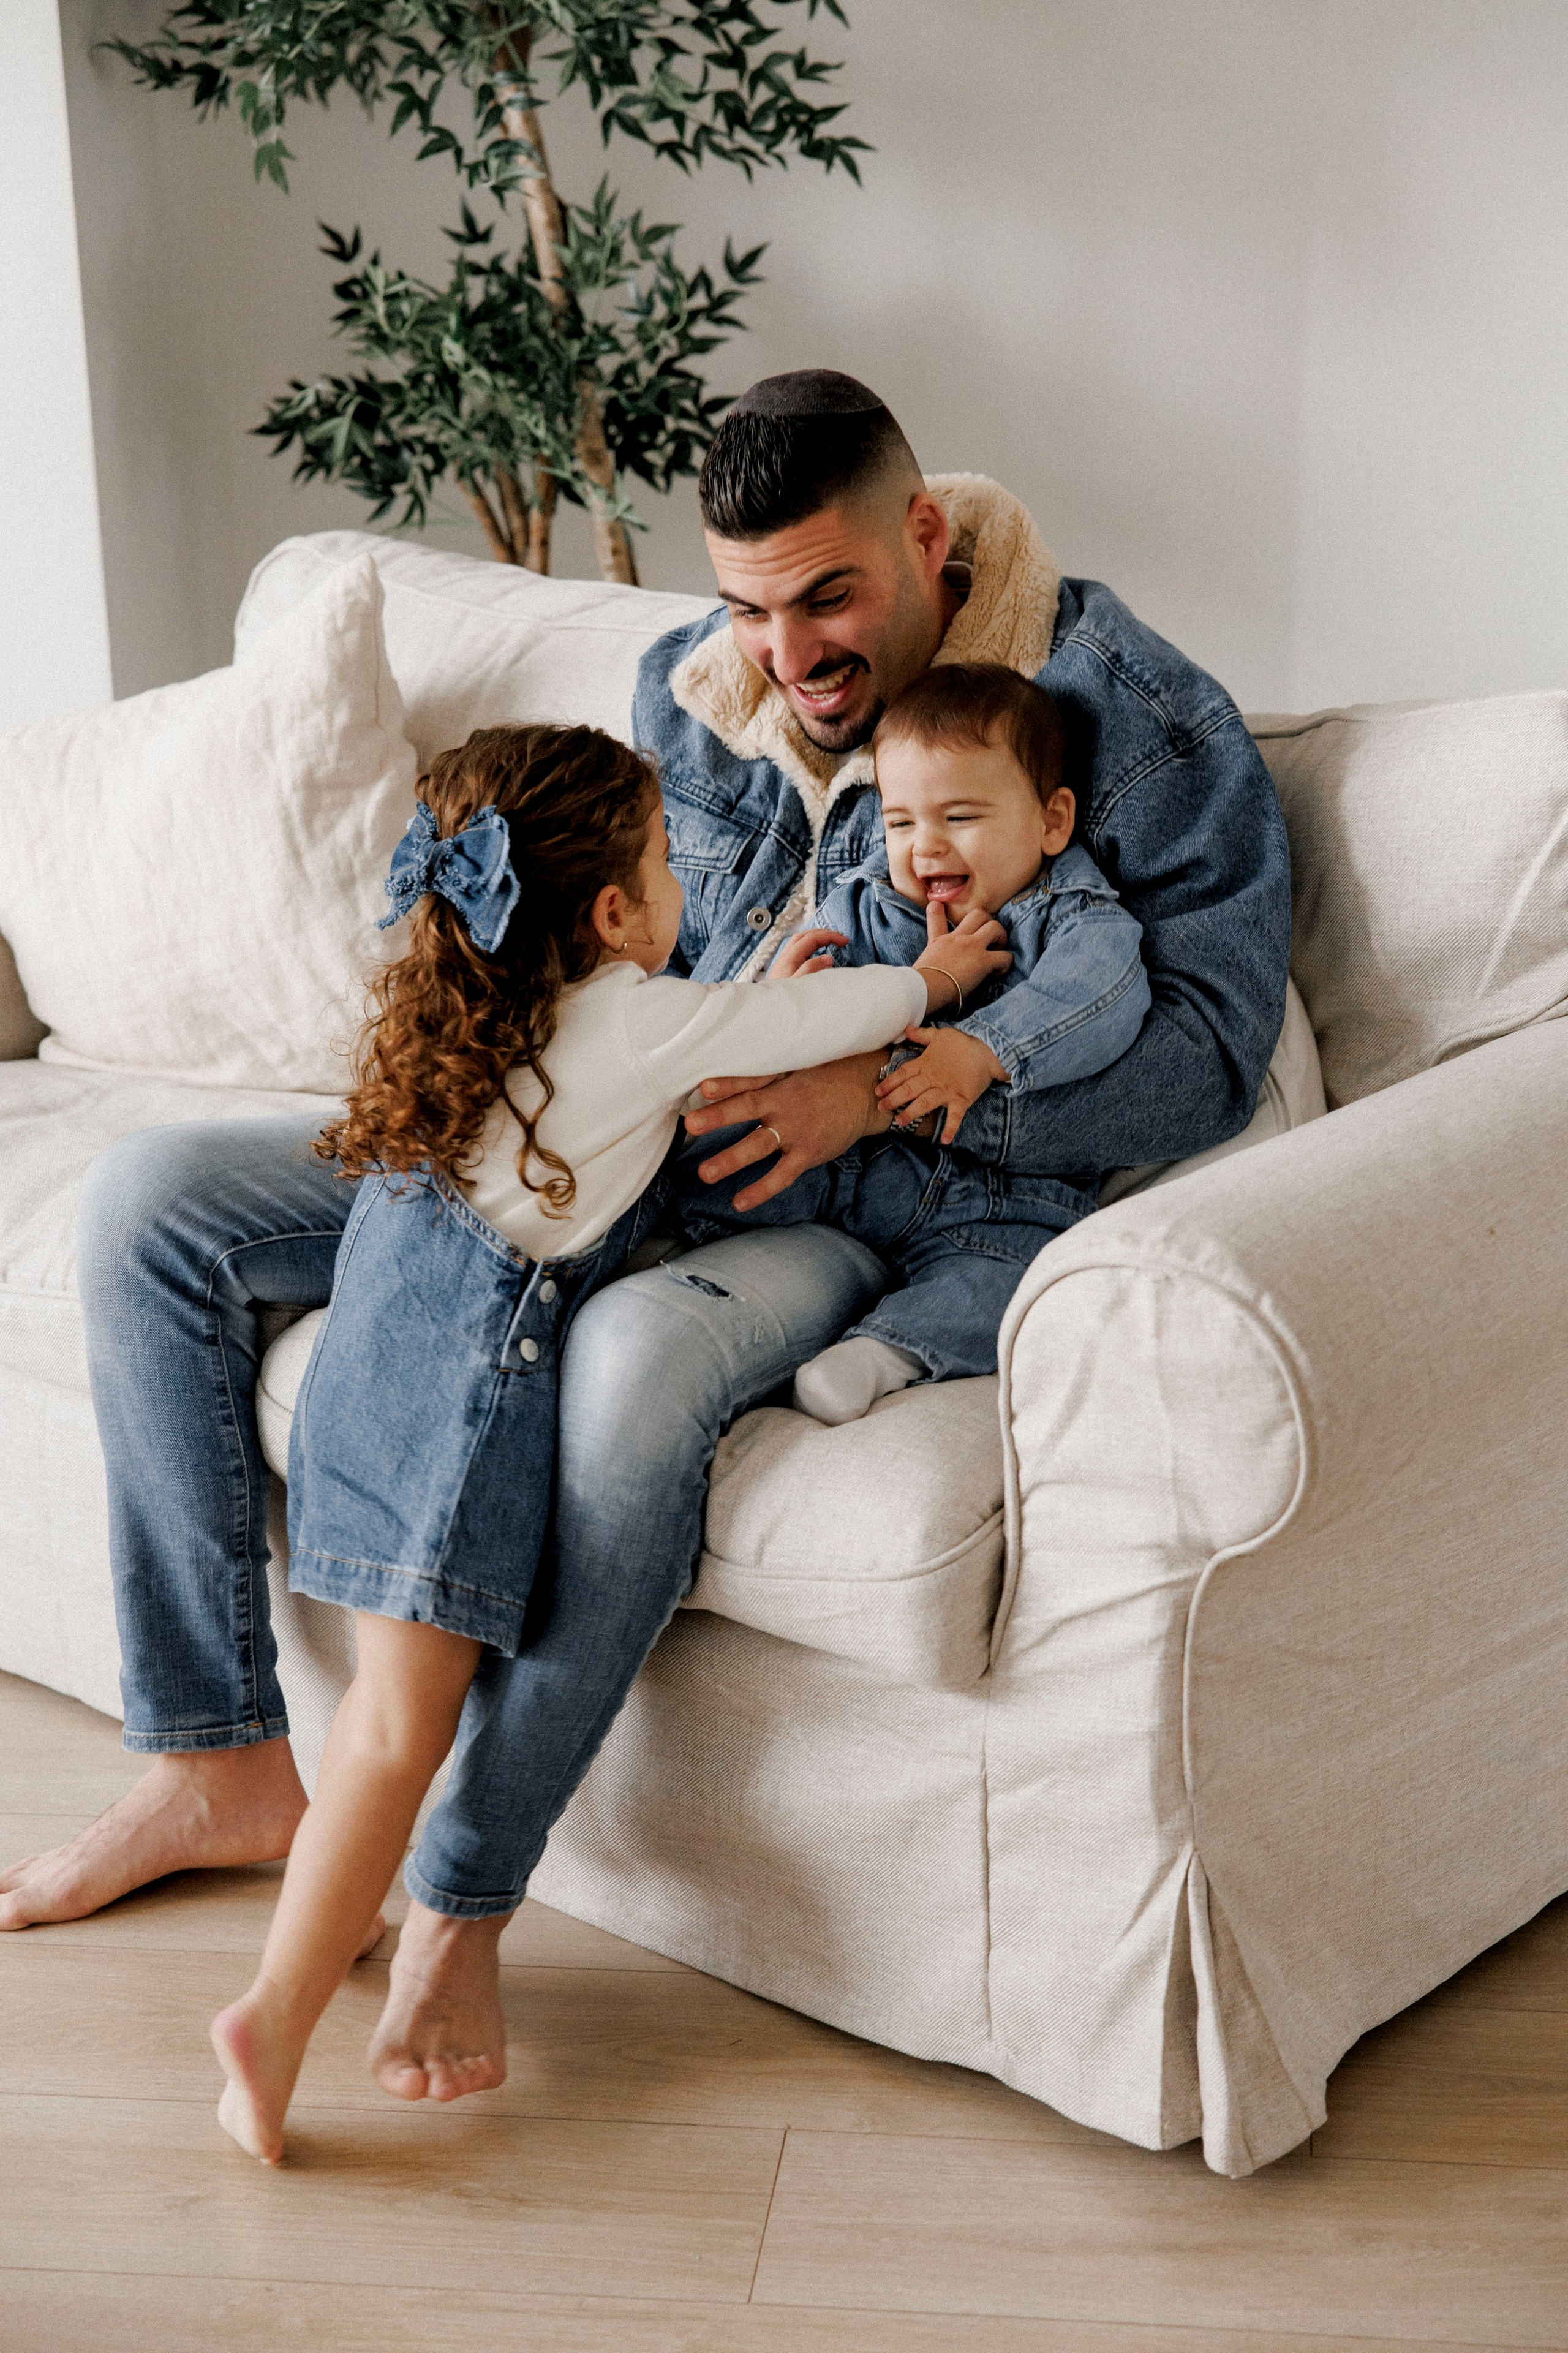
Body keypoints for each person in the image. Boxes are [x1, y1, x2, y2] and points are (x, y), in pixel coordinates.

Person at [0, 366, 1291, 2121]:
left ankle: (464, 1895)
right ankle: (221, 1756)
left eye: (828, 598)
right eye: (751, 606)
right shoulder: (699, 687)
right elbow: (620, 962)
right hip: (597, 1145)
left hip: (839, 1208)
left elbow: (1205, 1057)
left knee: (623, 1379)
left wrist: (883, 1093)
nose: (788, 653)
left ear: (928, 537)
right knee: (157, 1207)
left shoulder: (1125, 718)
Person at [209, 719, 1004, 2162]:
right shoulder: (639, 1022)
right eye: (658, 857)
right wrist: (937, 980)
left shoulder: (472, 1022)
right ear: (617, 913)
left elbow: (693, 1033)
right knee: (396, 1734)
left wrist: (743, 996)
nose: (674, 873)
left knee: (374, 1723)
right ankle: (274, 2009)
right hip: (454, 1410)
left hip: (359, 1386)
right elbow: (804, 1027)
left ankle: (306, 1967)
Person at [680, 659, 1150, 1426]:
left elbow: (1102, 996)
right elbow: (809, 995)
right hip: (851, 1163)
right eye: (901, 823)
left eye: (961, 817)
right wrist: (786, 1000)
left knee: (1034, 1273)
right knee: (720, 1127)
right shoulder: (868, 901)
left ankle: (884, 1352)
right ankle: (663, 1231)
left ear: (1051, 821)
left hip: (996, 1197)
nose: (924, 848)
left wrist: (984, 1049)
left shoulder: (1071, 917)